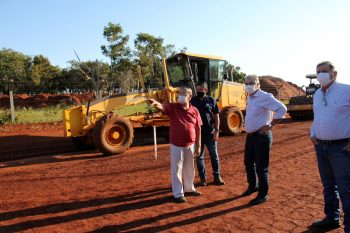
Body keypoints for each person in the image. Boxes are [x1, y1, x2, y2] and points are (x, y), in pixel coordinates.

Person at [310, 61, 350, 232]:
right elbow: (317, 115)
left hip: (341, 148)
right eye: (318, 72)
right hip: (321, 147)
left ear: (334, 73)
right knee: (328, 185)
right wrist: (313, 133)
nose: (321, 75)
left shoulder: (346, 90)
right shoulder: (317, 94)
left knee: (346, 188)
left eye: (324, 71)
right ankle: (332, 217)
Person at [148, 87, 202, 203]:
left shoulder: (195, 110)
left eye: (184, 94)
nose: (180, 96)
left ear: (190, 97)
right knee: (177, 169)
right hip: (176, 144)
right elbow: (162, 107)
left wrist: (198, 145)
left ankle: (189, 188)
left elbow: (198, 127)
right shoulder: (173, 107)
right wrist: (155, 103)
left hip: (190, 145)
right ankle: (178, 194)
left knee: (190, 169)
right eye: (179, 93)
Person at [243, 74, 287, 205]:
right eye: (246, 83)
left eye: (251, 83)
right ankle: (252, 186)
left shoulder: (265, 97)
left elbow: (282, 108)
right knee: (248, 163)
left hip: (262, 137)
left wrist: (271, 124)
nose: (248, 85)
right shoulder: (250, 97)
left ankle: (263, 195)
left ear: (258, 84)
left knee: (261, 168)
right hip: (250, 136)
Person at [190, 82, 225, 186]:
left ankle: (217, 176)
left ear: (206, 90)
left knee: (214, 156)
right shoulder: (192, 101)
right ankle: (202, 178)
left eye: (201, 89)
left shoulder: (211, 100)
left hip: (210, 133)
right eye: (197, 90)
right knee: (199, 157)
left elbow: (216, 116)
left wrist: (217, 131)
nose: (199, 91)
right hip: (197, 135)